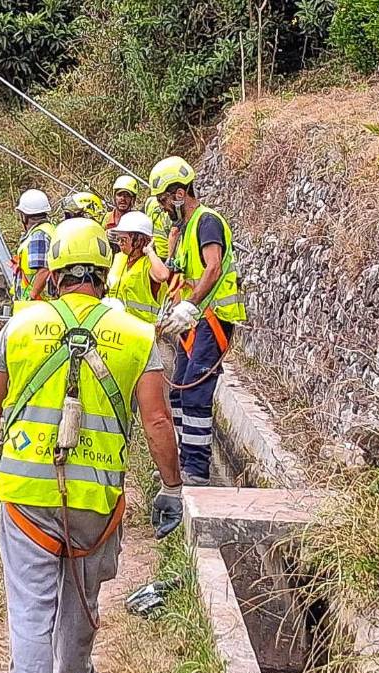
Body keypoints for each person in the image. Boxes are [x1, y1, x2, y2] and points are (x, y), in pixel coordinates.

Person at [0, 218, 185, 673]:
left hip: (25, 496)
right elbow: (158, 422)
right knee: (81, 597)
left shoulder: (20, 326)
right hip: (97, 499)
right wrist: (171, 488)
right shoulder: (137, 336)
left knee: (30, 607)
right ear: (104, 274)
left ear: (57, 273)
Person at [149, 156, 247, 486]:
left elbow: (213, 267)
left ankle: (196, 469)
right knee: (177, 393)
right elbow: (182, 274)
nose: (163, 208)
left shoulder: (207, 222)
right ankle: (181, 458)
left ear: (179, 193)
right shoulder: (188, 228)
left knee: (195, 393)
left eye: (164, 200)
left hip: (213, 319)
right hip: (195, 322)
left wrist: (190, 305)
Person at [105, 210, 172, 325]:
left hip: (145, 331)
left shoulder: (148, 263)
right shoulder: (118, 259)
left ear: (139, 239)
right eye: (118, 239)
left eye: (123, 239)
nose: (120, 243)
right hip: (117, 327)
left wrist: (149, 251)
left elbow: (163, 275)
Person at [11, 189, 57, 303]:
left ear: (24, 216)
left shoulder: (39, 235)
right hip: (44, 302)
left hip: (38, 303)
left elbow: (44, 269)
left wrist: (31, 297)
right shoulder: (50, 229)